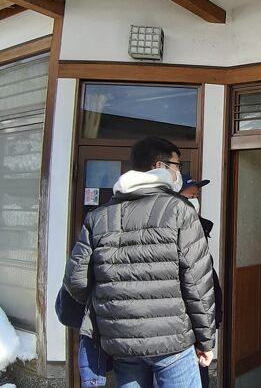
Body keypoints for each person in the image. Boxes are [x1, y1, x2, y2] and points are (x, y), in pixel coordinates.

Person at [64, 137, 216, 388]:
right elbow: (197, 284)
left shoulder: (98, 216)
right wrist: (205, 341)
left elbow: (75, 280)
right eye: (177, 165)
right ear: (160, 165)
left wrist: (112, 306)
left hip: (122, 343)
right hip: (172, 341)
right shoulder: (179, 210)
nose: (179, 172)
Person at [179, 174, 224, 388]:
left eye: (197, 195)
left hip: (197, 322)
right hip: (181, 324)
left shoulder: (200, 227)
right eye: (190, 196)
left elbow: (206, 278)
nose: (195, 200)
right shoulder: (172, 231)